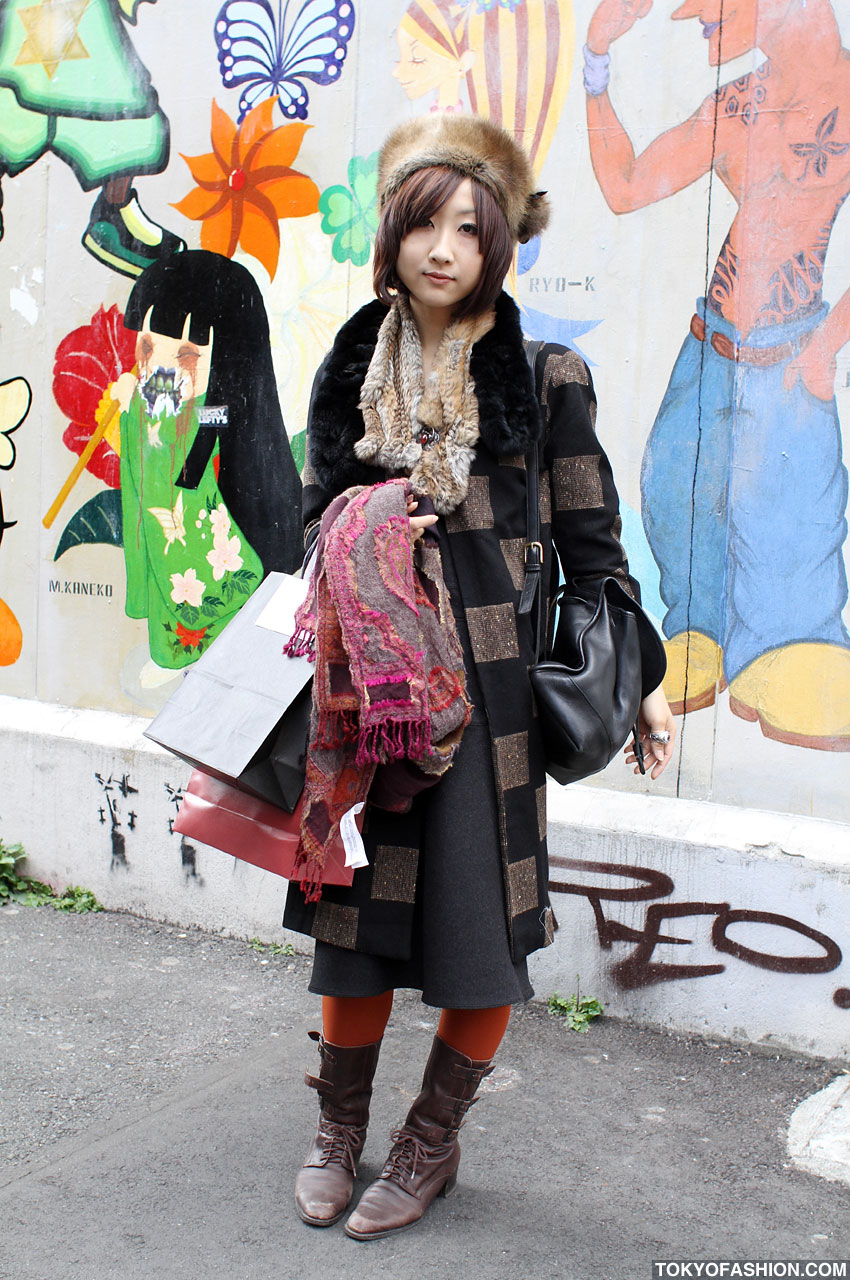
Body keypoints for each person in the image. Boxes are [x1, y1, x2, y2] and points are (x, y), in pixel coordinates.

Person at [284, 113, 676, 1241]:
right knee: (352, 928)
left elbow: (596, 547)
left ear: (501, 243)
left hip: (488, 697)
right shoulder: (355, 362)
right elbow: (308, 522)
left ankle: (429, 1141)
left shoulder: (548, 375)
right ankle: (336, 1127)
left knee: (476, 934)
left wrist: (638, 677)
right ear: (394, 234)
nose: (445, 248)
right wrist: (364, 528)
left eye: (470, 226)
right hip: (367, 696)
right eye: (425, 222)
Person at [585, 0, 850, 749]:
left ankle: (796, 645)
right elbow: (627, 185)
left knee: (793, 505)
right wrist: (596, 63)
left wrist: (828, 347)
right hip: (712, 347)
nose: (683, 14)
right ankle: (695, 628)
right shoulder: (740, 104)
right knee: (677, 485)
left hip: (791, 355)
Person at [109, 251, 302, 670]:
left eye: (185, 356)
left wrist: (141, 420)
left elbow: (188, 472)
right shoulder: (165, 407)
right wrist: (134, 415)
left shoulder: (219, 416)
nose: (157, 366)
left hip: (230, 564)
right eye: (146, 347)